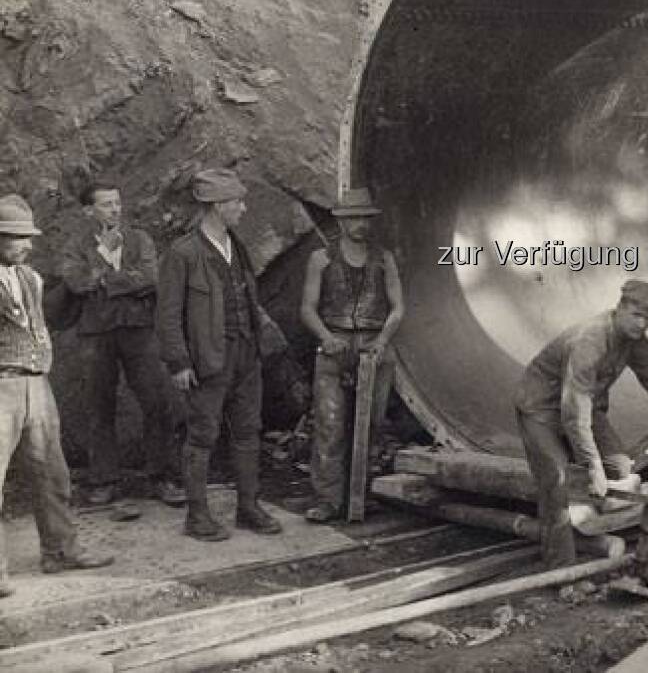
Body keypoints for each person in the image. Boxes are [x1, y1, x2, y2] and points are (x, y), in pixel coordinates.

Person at [514, 280, 648, 567]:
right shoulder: (590, 340)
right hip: (542, 410)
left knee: (620, 467)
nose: (642, 324)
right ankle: (562, 571)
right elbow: (574, 408)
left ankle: (585, 513)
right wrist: (592, 464)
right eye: (636, 315)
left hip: (582, 408)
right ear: (620, 308)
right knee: (555, 483)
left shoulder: (633, 338)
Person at [158, 168, 283, 541]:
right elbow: (167, 314)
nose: (243, 208)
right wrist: (179, 362)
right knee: (201, 436)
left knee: (248, 432)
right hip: (207, 359)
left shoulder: (236, 246)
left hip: (246, 355)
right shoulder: (183, 253)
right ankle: (198, 516)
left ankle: (248, 508)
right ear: (215, 206)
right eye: (236, 202)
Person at [0, 194, 114, 595]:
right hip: (2, 387)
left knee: (52, 471)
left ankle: (61, 551)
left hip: (36, 383)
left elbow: (45, 322)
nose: (29, 244)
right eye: (18, 237)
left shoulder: (30, 278)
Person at [58, 183, 183, 509]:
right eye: (106, 205)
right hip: (95, 333)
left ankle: (162, 476)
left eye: (117, 202)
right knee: (99, 405)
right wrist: (106, 265)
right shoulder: (76, 244)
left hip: (139, 330)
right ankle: (104, 480)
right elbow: (75, 281)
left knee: (157, 400)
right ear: (89, 211)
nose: (115, 209)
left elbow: (151, 277)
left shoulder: (139, 238)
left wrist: (102, 283)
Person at [300, 189, 405, 524]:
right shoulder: (322, 259)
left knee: (371, 426)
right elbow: (307, 308)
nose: (361, 225)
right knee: (330, 426)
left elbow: (398, 307)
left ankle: (361, 495)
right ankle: (327, 500)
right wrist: (326, 337)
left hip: (373, 348)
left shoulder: (383, 258)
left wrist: (382, 340)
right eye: (354, 218)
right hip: (335, 347)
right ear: (341, 220)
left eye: (365, 218)